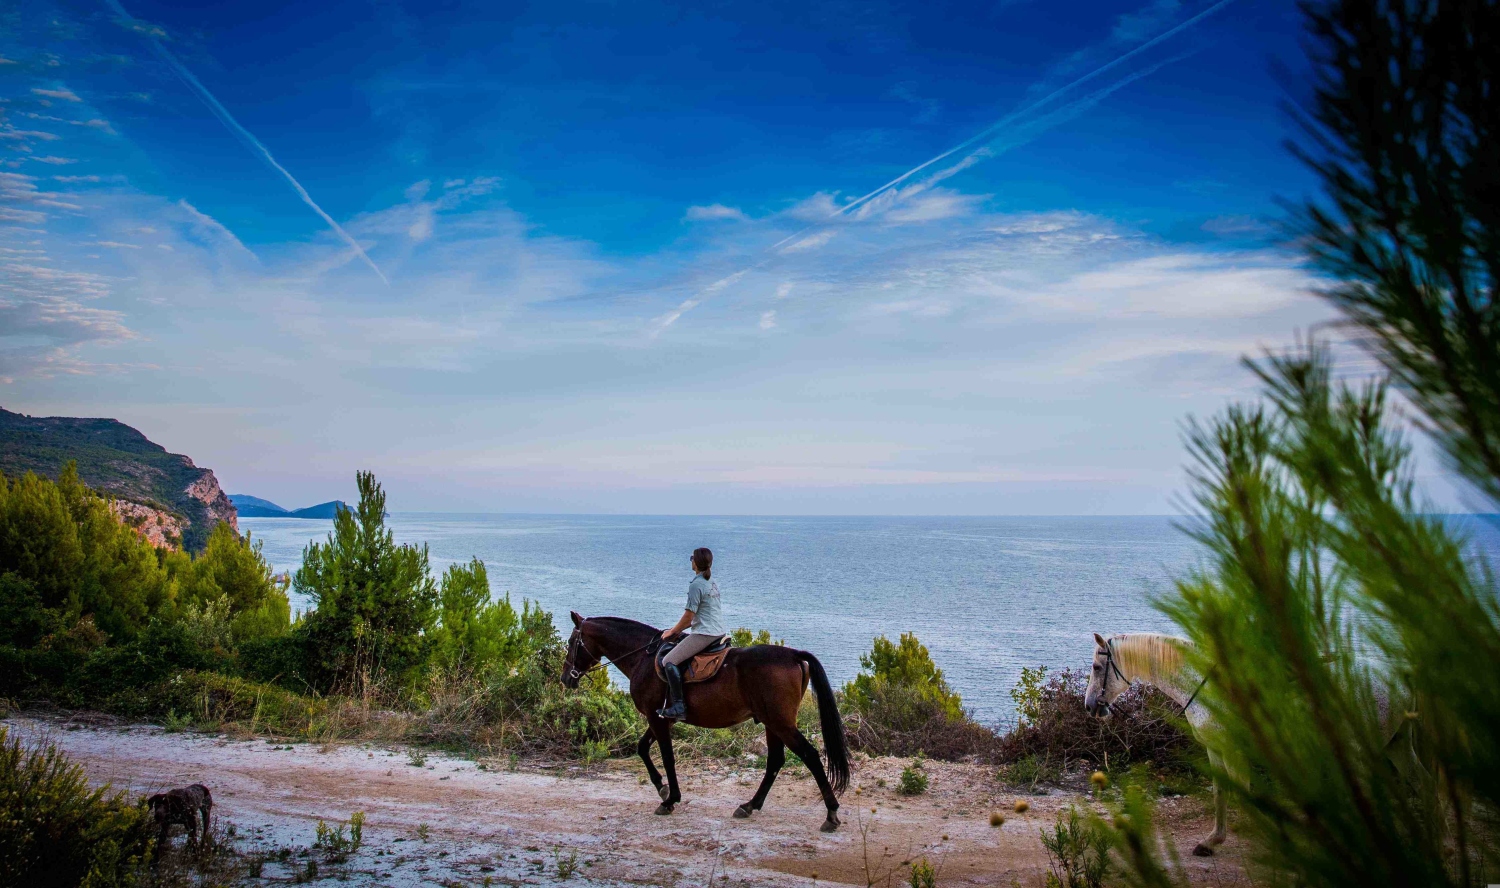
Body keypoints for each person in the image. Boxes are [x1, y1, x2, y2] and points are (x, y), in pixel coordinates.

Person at [657, 547, 726, 721]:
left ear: (696, 563)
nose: (691, 561)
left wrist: (672, 632)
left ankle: (679, 706)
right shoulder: (711, 582)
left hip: (704, 634)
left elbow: (689, 618)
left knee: (668, 661)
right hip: (719, 631)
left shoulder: (696, 585)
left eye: (691, 558)